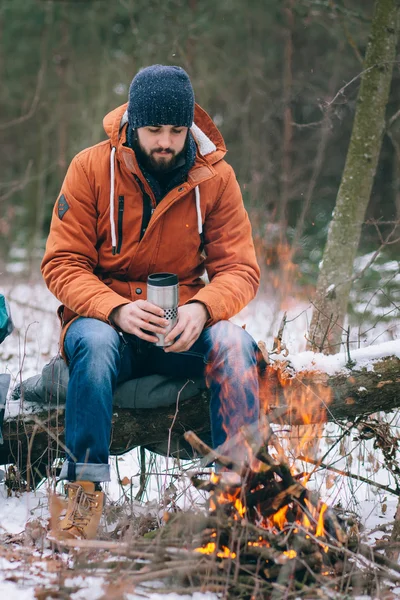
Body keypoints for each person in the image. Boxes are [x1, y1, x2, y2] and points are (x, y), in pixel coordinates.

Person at [41, 65, 261, 541]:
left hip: (180, 323)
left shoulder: (216, 180)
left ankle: (238, 500)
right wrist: (114, 307)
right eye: (153, 129)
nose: (165, 142)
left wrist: (202, 309)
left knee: (234, 345)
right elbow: (61, 263)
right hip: (103, 321)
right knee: (95, 346)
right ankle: (82, 498)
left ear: (190, 127)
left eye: (177, 130)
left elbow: (240, 269)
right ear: (132, 124)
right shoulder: (90, 168)